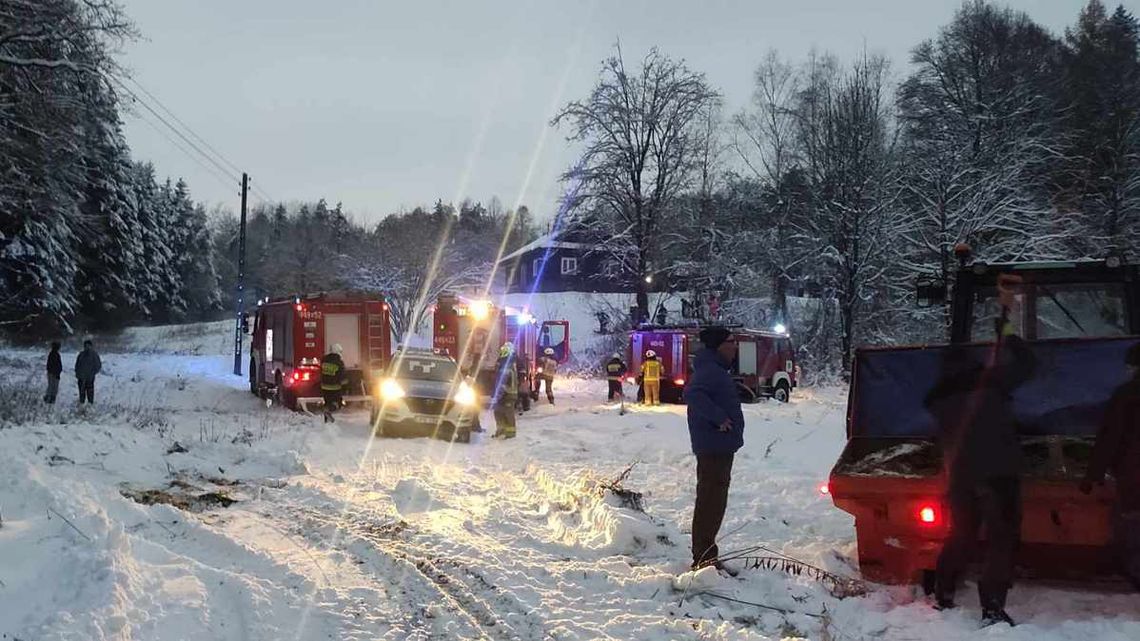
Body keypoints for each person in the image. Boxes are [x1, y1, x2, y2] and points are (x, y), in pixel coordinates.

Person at [925, 278, 1035, 626]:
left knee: (962, 534)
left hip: (960, 476)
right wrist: (1009, 333)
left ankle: (943, 592)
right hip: (999, 473)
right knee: (1001, 539)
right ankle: (991, 607)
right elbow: (1028, 366)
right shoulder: (992, 383)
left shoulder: (939, 401)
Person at [683, 326, 744, 573]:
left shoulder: (714, 369)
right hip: (714, 446)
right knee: (711, 500)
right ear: (719, 345)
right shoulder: (711, 371)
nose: (735, 346)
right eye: (732, 341)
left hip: (718, 445)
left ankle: (706, 555)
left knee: (713, 499)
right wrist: (719, 418)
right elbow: (694, 394)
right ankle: (704, 559)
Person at [1080, 342, 1140, 591]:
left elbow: (1110, 437)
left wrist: (1092, 475)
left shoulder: (1127, 394)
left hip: (1134, 472)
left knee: (1131, 521)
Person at [492, 344, 518, 439]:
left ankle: (510, 433)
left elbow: (501, 382)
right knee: (498, 411)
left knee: (508, 413)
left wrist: (497, 395)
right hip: (508, 393)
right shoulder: (509, 364)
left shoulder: (506, 365)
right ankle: (501, 430)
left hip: (508, 394)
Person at [320, 343, 348, 423]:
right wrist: (346, 387)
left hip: (324, 387)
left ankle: (327, 422)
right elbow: (342, 377)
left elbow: (321, 372)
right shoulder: (339, 362)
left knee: (327, 402)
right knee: (338, 403)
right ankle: (328, 411)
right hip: (335, 387)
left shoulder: (324, 360)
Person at [74, 340, 102, 405]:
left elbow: (98, 365)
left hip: (90, 378)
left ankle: (90, 405)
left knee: (90, 393)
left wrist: (92, 373)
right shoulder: (81, 355)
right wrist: (77, 374)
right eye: (85, 346)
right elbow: (77, 365)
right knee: (81, 393)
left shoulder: (94, 355)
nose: (87, 347)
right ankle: (82, 405)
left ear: (91, 346)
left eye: (88, 346)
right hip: (81, 378)